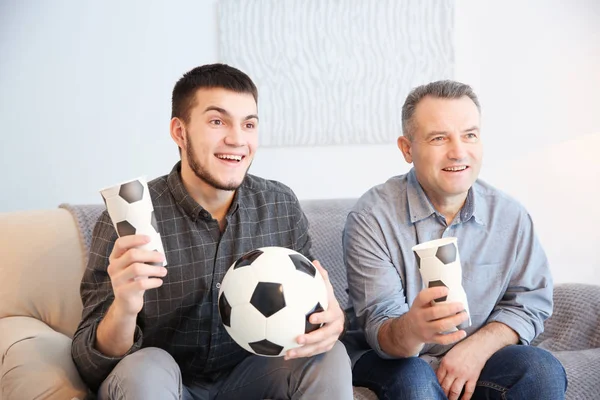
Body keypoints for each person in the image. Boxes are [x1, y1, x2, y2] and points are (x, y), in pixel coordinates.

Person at [71, 63, 353, 400]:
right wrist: (125, 306)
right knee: (146, 365)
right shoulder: (127, 220)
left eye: (248, 124)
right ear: (180, 131)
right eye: (217, 121)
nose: (236, 139)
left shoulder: (279, 205)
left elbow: (314, 309)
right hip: (162, 385)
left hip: (251, 380)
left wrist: (332, 322)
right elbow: (90, 364)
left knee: (329, 354)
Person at [342, 80, 567, 400]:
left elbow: (530, 301)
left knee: (541, 369)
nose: (458, 151)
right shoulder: (372, 217)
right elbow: (381, 328)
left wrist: (476, 349)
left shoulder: (510, 216)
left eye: (470, 135)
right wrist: (414, 328)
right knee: (415, 377)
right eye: (439, 138)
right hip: (391, 358)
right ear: (407, 148)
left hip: (477, 353)